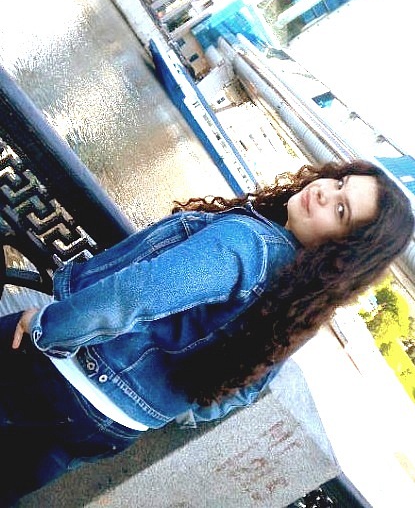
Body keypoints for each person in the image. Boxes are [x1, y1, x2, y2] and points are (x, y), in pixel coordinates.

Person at [0, 158, 413, 505]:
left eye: (340, 211)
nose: (324, 193)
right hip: (112, 428)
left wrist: (47, 327)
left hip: (64, 375)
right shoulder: (299, 306)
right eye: (339, 183)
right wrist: (159, 401)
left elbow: (139, 293)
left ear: (341, 251)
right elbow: (242, 392)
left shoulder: (249, 245)